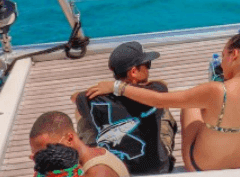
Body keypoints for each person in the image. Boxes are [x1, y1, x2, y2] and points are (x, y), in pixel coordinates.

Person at [87, 25, 240, 172]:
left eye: (223, 56)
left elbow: (159, 100)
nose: (222, 64)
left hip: (202, 166)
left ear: (234, 55)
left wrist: (117, 87)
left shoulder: (215, 90)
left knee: (191, 107)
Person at [72, 41, 177, 174]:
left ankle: (96, 149)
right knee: (164, 108)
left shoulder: (90, 99)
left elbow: (75, 97)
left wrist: (109, 90)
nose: (148, 69)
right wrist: (119, 88)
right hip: (158, 168)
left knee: (80, 112)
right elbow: (161, 85)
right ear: (134, 72)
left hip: (115, 169)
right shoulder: (157, 91)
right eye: (147, 65)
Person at [29, 111, 130, 177]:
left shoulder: (97, 172)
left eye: (47, 151)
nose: (41, 158)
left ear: (69, 138)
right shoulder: (87, 153)